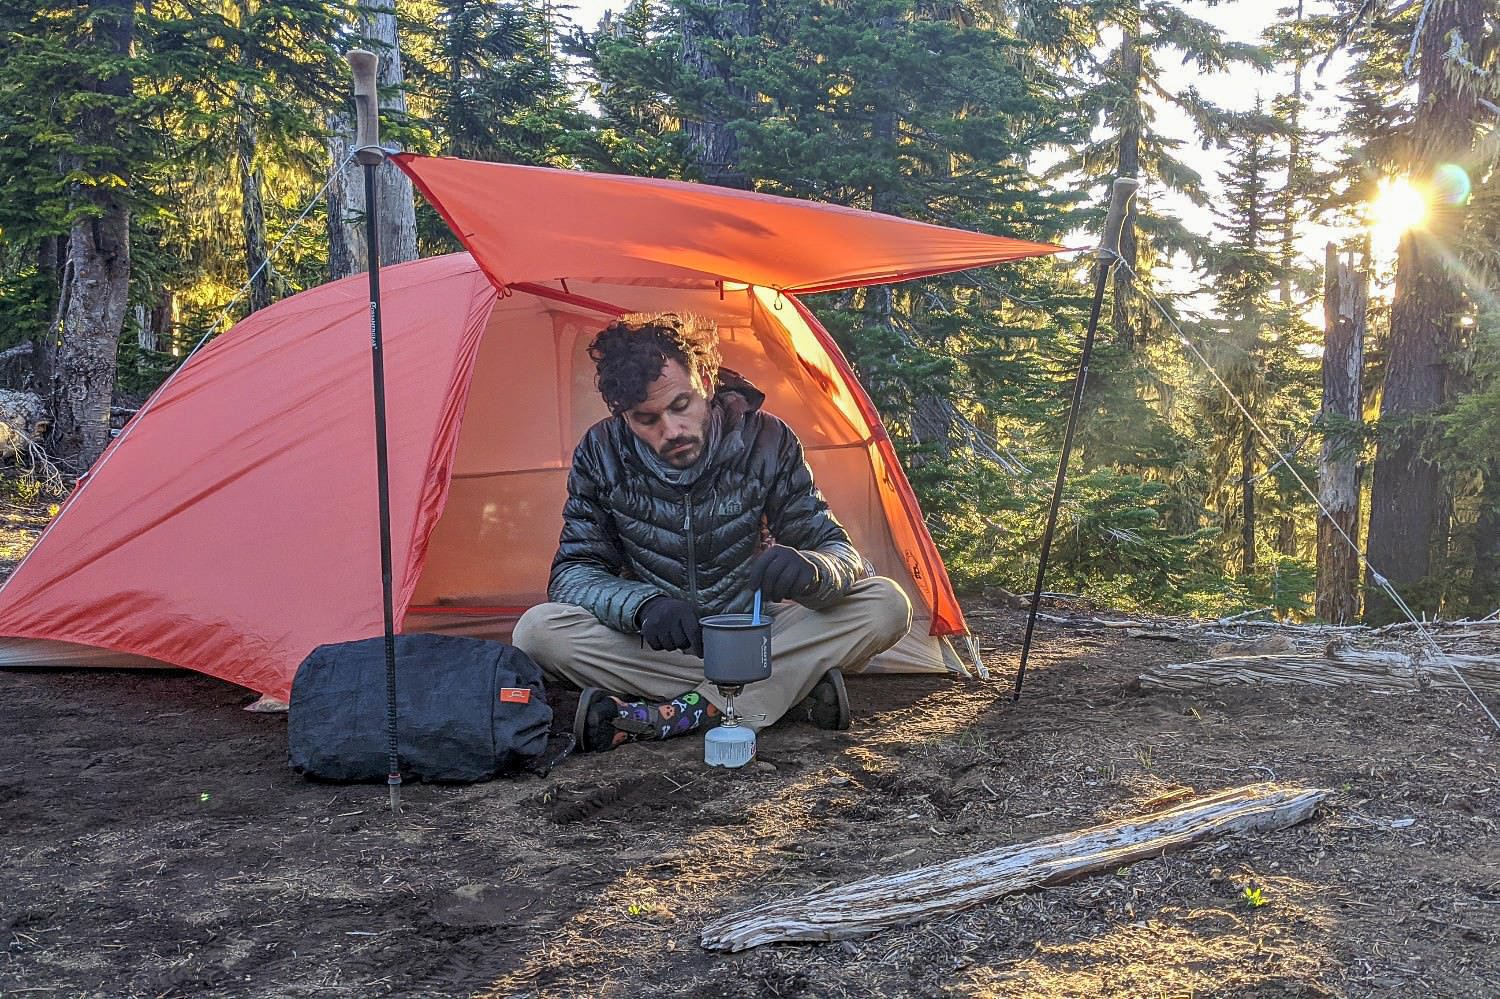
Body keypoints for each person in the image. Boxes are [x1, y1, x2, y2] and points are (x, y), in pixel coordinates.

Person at [512, 312, 913, 753]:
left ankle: (683, 712)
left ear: (706, 378)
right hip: (667, 643)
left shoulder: (768, 438)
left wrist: (812, 569)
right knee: (537, 631)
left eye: (681, 405)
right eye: (647, 419)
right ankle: (785, 690)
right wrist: (643, 606)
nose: (672, 430)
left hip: (757, 630)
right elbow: (572, 573)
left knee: (886, 603)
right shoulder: (600, 451)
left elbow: (840, 552)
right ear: (623, 416)